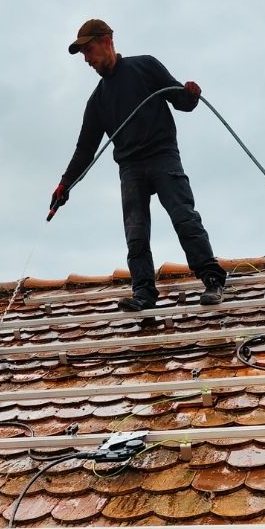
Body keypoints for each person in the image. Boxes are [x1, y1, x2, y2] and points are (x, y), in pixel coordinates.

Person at [51, 18, 227, 312]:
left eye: (89, 50)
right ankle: (143, 293)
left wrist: (191, 95)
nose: (87, 60)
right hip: (130, 168)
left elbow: (179, 100)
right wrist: (64, 184)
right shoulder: (98, 101)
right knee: (136, 234)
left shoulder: (145, 66)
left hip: (162, 156)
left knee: (183, 217)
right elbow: (84, 150)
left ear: (107, 41)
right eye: (83, 54)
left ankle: (212, 278)